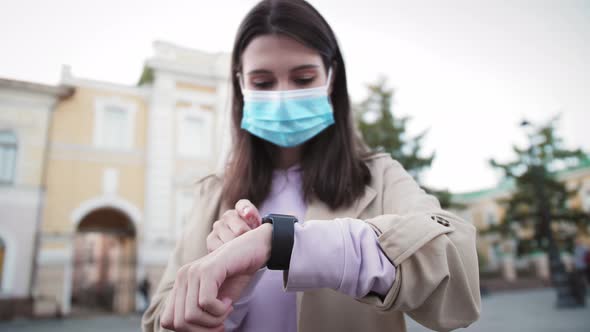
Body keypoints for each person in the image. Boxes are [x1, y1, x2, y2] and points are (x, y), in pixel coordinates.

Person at [141, 1, 481, 331]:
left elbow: (457, 275)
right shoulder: (214, 192)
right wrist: (217, 306)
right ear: (241, 85)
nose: (283, 95)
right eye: (262, 83)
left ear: (331, 78)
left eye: (303, 79)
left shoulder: (379, 176)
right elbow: (160, 319)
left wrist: (285, 244)